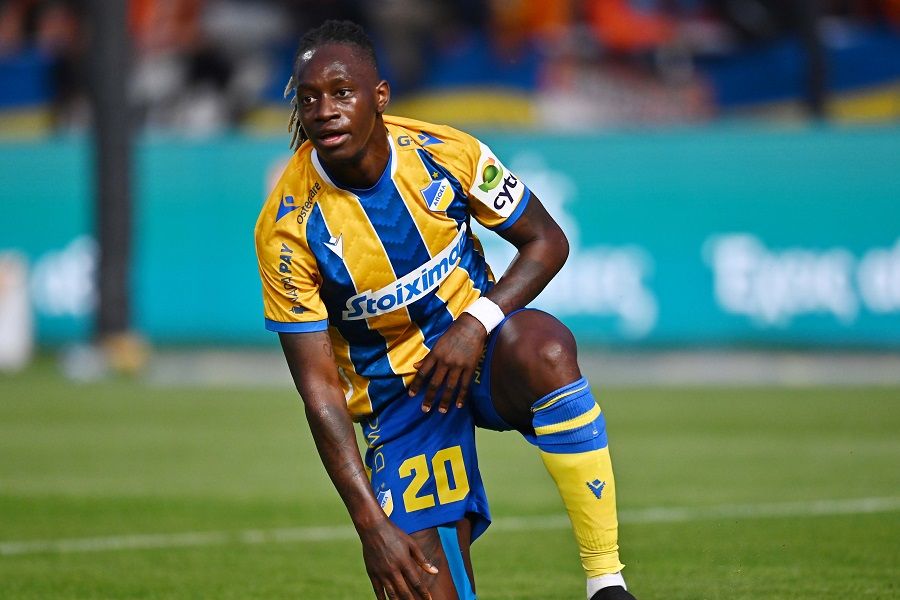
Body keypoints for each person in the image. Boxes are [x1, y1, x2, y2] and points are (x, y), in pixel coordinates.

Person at [254, 20, 636, 600]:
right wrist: (370, 526)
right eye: (309, 99)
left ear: (380, 96)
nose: (325, 111)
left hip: (479, 353)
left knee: (546, 349)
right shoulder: (287, 229)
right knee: (421, 585)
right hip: (398, 402)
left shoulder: (446, 153)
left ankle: (606, 581)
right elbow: (321, 391)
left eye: (342, 92)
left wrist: (475, 324)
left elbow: (546, 240)